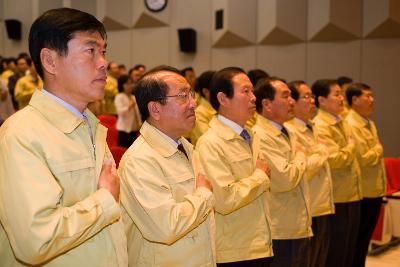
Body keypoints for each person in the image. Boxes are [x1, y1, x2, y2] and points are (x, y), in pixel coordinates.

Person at [0, 8, 127, 266]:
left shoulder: (90, 126)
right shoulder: (22, 134)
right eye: (90, 51)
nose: (103, 63)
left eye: (103, 52)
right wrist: (104, 201)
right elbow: (35, 241)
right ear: (50, 61)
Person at [119, 65, 215, 267]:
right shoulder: (140, 160)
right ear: (155, 109)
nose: (193, 103)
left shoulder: (186, 147)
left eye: (191, 94)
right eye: (182, 96)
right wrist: (204, 195)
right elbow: (166, 227)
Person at [195, 67, 273, 266]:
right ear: (223, 98)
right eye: (245, 91)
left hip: (259, 243)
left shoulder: (250, 136)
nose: (253, 97)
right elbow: (224, 199)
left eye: (252, 91)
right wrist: (259, 177)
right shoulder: (211, 143)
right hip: (234, 251)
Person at [252, 78, 312, 267]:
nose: (292, 101)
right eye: (285, 96)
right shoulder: (261, 135)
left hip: (298, 222)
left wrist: (297, 161)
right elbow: (285, 179)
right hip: (281, 228)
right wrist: (302, 157)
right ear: (267, 104)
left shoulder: (288, 130)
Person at [312, 79, 362, 267]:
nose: (342, 98)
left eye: (342, 94)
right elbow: (334, 160)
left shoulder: (341, 121)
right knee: (336, 252)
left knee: (349, 249)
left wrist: (348, 150)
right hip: (337, 196)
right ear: (322, 100)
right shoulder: (321, 125)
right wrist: (350, 148)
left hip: (352, 192)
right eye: (336, 94)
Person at [286, 80, 335, 267]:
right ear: (293, 101)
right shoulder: (291, 131)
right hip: (310, 206)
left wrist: (317, 155)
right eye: (306, 97)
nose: (312, 101)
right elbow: (305, 169)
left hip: (323, 202)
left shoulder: (312, 126)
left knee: (320, 258)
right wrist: (322, 152)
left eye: (312, 96)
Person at [345, 83, 386, 267]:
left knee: (364, 241)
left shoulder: (368, 122)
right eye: (367, 96)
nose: (372, 100)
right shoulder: (351, 123)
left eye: (372, 96)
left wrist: (375, 150)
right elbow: (363, 158)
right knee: (357, 242)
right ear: (354, 100)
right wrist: (378, 149)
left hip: (375, 189)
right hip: (363, 191)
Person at [189, 70, 216, 145]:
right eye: (218, 89)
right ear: (206, 91)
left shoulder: (223, 110)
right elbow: (210, 142)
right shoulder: (198, 114)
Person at [115, 74, 142, 148]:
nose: (130, 85)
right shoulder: (119, 97)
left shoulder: (133, 97)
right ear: (122, 85)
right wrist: (129, 107)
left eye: (131, 83)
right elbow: (120, 112)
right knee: (123, 151)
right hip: (124, 131)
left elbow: (137, 113)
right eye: (127, 83)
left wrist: (139, 123)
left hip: (135, 130)